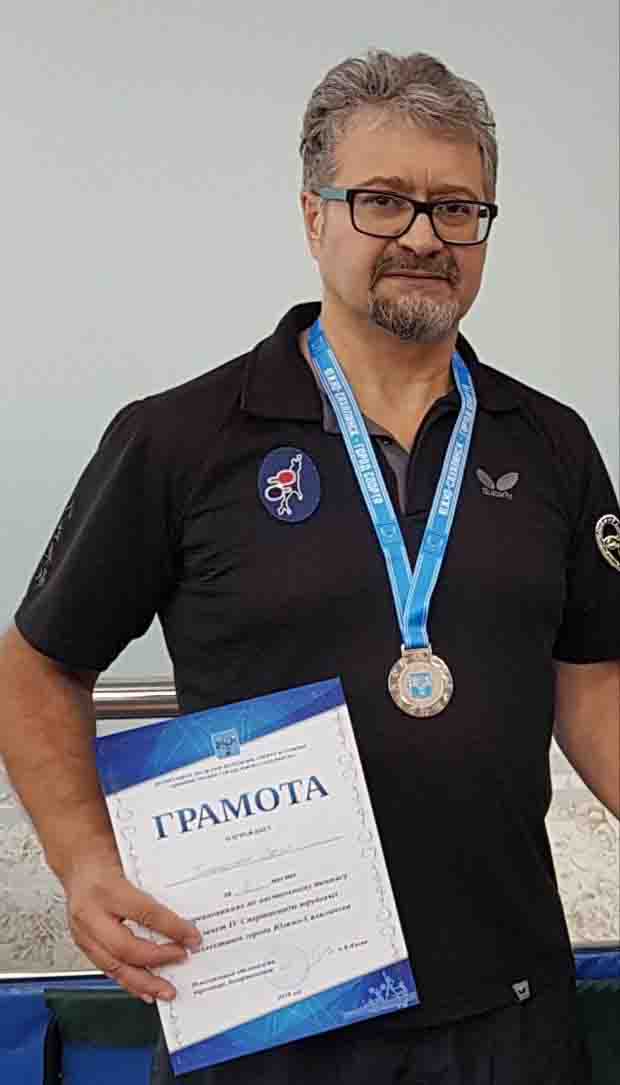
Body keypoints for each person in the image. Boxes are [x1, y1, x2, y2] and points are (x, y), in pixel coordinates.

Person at [0, 48, 618, 1085]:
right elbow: (36, 665)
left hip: (509, 1010)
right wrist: (84, 858)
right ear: (311, 215)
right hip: (265, 1019)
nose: (422, 236)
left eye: (456, 208)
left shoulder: (552, 443)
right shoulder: (181, 439)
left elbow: (594, 684)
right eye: (382, 200)